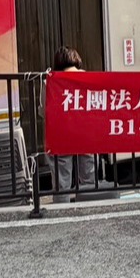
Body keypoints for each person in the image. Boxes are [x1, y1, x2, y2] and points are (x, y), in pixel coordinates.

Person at [52, 46, 98, 200]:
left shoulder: (51, 81)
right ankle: (89, 205)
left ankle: (62, 207)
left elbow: (44, 110)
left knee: (62, 179)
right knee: (88, 177)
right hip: (86, 131)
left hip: (61, 133)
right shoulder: (89, 78)